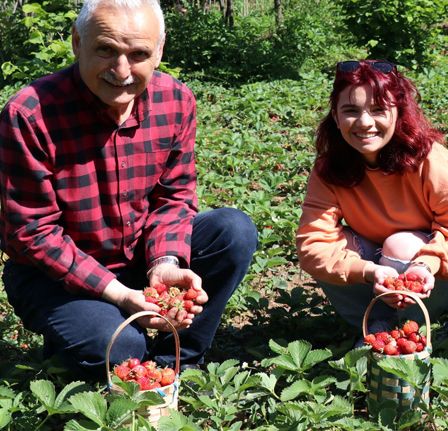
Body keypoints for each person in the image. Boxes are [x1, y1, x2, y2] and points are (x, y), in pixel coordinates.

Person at [0, 0, 257, 380]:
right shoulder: (30, 114)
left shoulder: (175, 100)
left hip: (136, 256)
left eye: (138, 54)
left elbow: (174, 198)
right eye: (106, 50)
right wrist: (119, 294)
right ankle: (94, 338)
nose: (121, 70)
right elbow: (32, 234)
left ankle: (175, 361)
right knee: (121, 346)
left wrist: (165, 262)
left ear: (160, 51)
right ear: (76, 42)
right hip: (53, 277)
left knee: (233, 230)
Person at [296, 60, 448, 332]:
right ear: (335, 116)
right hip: (386, 253)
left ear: (399, 112)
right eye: (351, 110)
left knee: (401, 245)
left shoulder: (430, 160)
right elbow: (313, 245)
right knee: (329, 252)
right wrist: (370, 272)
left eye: (378, 110)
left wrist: (423, 266)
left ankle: (426, 333)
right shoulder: (330, 169)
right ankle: (377, 327)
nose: (365, 122)